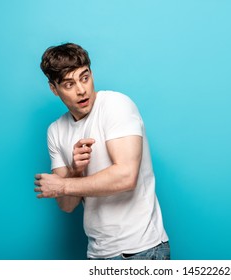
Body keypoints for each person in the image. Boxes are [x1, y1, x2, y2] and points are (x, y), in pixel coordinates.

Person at [34, 43, 169, 260]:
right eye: (69, 84)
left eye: (84, 78)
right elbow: (67, 205)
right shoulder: (56, 131)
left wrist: (64, 184)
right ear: (54, 88)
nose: (81, 90)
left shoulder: (116, 105)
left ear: (91, 73)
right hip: (98, 253)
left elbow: (126, 177)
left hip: (140, 249)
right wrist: (75, 170)